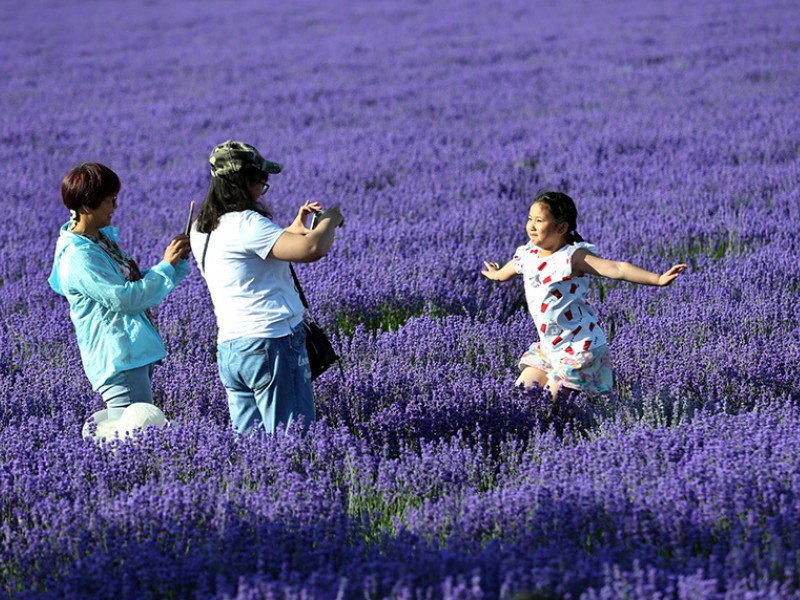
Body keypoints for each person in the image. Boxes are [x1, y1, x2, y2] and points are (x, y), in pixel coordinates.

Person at [190, 140, 344, 435]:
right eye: (261, 181)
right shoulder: (247, 223)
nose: (262, 188)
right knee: (292, 440)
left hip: (233, 349)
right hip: (271, 343)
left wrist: (289, 230)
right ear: (244, 181)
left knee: (254, 452)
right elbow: (312, 248)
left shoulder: (202, 227)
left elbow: (245, 260)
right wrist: (329, 219)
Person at [481, 191, 686, 401]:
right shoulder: (528, 254)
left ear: (561, 228)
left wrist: (658, 279)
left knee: (551, 404)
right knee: (521, 395)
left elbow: (617, 269)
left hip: (579, 346)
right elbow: (511, 269)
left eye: (539, 220)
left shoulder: (572, 257)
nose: (531, 225)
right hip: (550, 346)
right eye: (530, 219)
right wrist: (497, 274)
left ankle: (583, 425)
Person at [49, 162, 191, 421]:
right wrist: (165, 267)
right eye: (110, 200)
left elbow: (131, 282)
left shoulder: (99, 240)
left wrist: (174, 262)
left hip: (130, 353)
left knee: (138, 432)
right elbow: (124, 298)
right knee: (133, 437)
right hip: (117, 358)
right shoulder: (79, 256)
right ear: (88, 205)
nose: (115, 207)